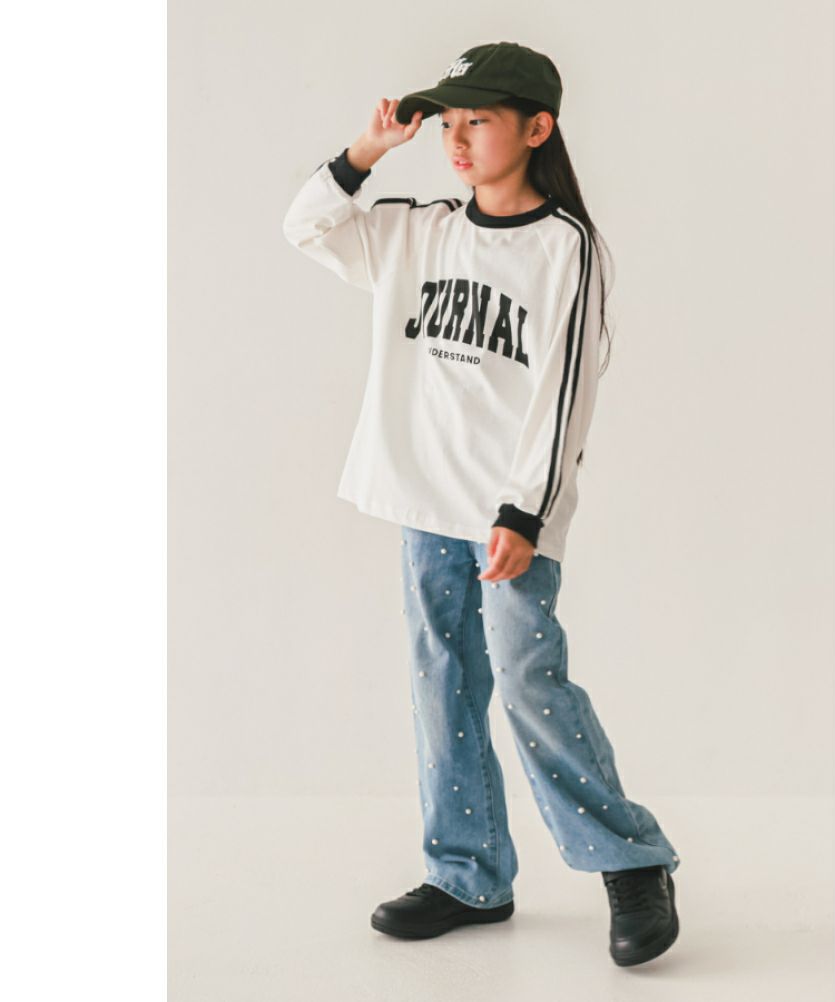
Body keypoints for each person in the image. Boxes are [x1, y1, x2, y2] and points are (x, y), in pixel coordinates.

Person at [282, 41, 681, 967]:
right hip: (426, 501)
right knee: (443, 680)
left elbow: (567, 391)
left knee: (528, 677)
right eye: (449, 123)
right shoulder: (415, 230)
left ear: (537, 129)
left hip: (509, 514)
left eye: (480, 121)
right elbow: (306, 226)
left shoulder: (565, 246)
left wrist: (524, 514)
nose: (457, 141)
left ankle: (631, 858)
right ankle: (467, 874)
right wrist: (368, 150)